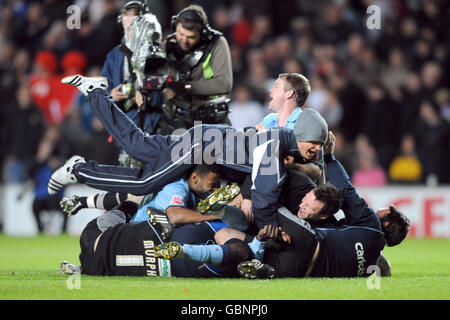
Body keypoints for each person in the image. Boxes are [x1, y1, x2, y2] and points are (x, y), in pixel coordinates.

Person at [48, 74, 328, 231]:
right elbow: (266, 187)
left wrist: (308, 159)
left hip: (203, 139)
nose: (314, 153)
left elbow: (308, 167)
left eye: (316, 149)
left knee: (137, 145)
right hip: (201, 148)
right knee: (144, 182)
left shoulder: (289, 133)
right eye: (312, 148)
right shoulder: (280, 139)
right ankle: (78, 170)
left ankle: (95, 92)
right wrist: (264, 218)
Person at [169, 131, 410, 279]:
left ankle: (263, 160)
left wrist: (329, 157)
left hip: (307, 241)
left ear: (386, 220)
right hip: (294, 270)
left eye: (383, 210)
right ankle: (248, 255)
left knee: (271, 202)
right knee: (226, 234)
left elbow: (346, 191)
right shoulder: (371, 263)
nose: (377, 210)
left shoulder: (371, 224)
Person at [60, 164, 247, 233]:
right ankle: (80, 174)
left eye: (217, 186)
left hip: (142, 224)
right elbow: (175, 216)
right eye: (212, 185)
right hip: (137, 231)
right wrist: (217, 217)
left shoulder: (196, 190)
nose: (215, 189)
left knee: (135, 196)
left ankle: (82, 201)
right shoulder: (177, 186)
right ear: (195, 178)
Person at [157, 4, 233, 132]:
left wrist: (184, 87)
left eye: (191, 37)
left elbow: (224, 84)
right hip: (177, 119)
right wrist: (140, 86)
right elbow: (150, 73)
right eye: (180, 34)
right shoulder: (169, 45)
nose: (184, 41)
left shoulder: (217, 43)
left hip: (210, 121)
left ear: (202, 33)